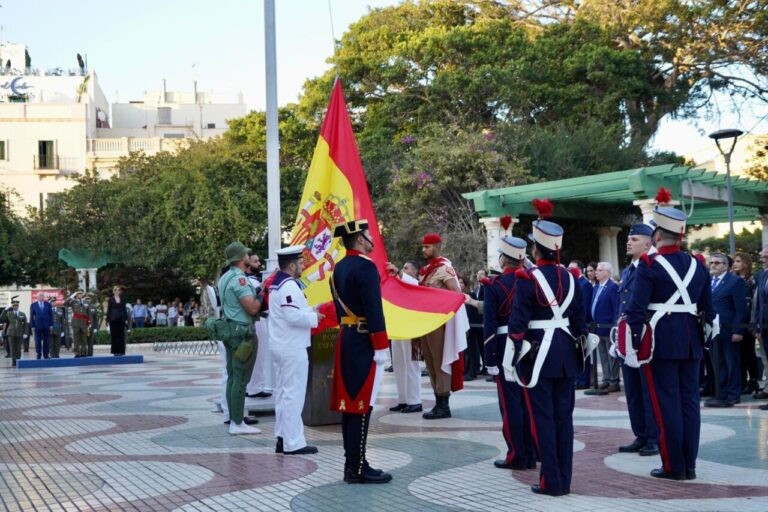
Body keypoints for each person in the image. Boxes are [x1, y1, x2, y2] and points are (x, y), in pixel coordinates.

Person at [624, 206, 714, 480]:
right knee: (689, 403)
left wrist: (636, 346)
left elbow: (636, 311)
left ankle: (673, 465)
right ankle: (689, 464)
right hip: (691, 341)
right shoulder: (697, 264)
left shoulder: (649, 265)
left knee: (666, 404)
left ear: (659, 235)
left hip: (659, 342)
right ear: (681, 235)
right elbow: (708, 310)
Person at [508, 218, 587, 496]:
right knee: (564, 420)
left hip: (538, 356)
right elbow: (580, 323)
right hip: (566, 355)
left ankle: (551, 482)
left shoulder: (527, 279)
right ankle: (564, 480)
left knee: (542, 419)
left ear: (536, 251)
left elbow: (518, 325)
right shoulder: (572, 278)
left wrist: (513, 357)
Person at [330, 219, 392, 484]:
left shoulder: (338, 268)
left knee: (350, 407)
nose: (371, 239)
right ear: (358, 239)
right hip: (364, 341)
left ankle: (353, 464)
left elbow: (338, 309)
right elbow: (373, 309)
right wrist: (381, 346)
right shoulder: (366, 268)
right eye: (368, 235)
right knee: (361, 406)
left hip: (346, 338)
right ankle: (357, 468)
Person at [483, 236, 535, 471]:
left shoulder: (494, 285)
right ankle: (533, 450)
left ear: (503, 259)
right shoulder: (533, 281)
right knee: (530, 401)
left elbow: (490, 325)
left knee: (511, 404)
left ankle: (517, 454)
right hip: (531, 344)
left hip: (505, 345)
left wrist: (490, 358)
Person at [269, 246, 323, 455]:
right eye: (301, 263)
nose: (303, 266)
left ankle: (283, 438)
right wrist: (314, 318)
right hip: (291, 347)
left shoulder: (278, 284)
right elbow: (292, 317)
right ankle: (294, 443)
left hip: (282, 346)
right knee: (293, 395)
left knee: (283, 394)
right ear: (291, 265)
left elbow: (290, 312)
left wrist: (311, 310)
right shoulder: (289, 286)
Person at [616, 224, 659, 456]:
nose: (628, 242)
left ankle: (654, 436)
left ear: (647, 243)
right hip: (626, 337)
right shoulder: (628, 270)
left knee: (647, 388)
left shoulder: (653, 266)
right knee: (632, 389)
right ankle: (640, 434)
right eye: (628, 238)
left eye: (634, 239)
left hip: (644, 337)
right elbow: (621, 305)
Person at [414, 233, 462, 419]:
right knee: (431, 363)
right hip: (426, 322)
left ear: (437, 246)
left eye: (427, 247)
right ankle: (438, 402)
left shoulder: (444, 269)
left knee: (441, 363)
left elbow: (456, 294)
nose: (424, 250)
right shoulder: (426, 270)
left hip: (439, 324)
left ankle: (444, 405)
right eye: (423, 247)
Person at [218, 242, 263, 435]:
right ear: (240, 258)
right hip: (242, 335)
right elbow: (252, 307)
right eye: (245, 254)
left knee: (232, 377)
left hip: (230, 331)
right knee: (241, 378)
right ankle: (237, 422)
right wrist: (262, 293)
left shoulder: (225, 277)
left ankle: (233, 418)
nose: (248, 257)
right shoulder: (240, 280)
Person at [704, 253, 748, 407]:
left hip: (729, 330)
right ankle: (721, 393)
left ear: (726, 266)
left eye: (717, 262)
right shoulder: (708, 282)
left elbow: (740, 309)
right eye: (712, 262)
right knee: (718, 363)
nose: (713, 265)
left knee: (732, 363)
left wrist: (738, 331)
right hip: (712, 330)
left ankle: (733, 394)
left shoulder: (735, 282)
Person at [388, 261, 422, 413]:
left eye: (406, 268)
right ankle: (403, 399)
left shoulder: (415, 283)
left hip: (412, 330)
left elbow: (412, 283)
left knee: (411, 365)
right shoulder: (398, 284)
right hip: (398, 328)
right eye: (403, 268)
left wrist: (399, 273)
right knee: (399, 364)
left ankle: (415, 401)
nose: (402, 270)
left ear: (414, 272)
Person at [247, 252, 275, 399]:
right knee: (259, 355)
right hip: (257, 319)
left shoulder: (252, 280)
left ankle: (253, 386)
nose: (259, 264)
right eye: (255, 261)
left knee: (258, 355)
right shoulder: (249, 281)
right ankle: (255, 387)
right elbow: (259, 295)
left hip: (259, 319)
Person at [590, 262, 620, 392]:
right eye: (596, 270)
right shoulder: (597, 287)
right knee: (602, 355)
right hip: (597, 327)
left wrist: (615, 326)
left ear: (608, 272)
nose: (596, 272)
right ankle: (606, 379)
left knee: (611, 355)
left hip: (608, 327)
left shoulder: (612, 287)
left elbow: (616, 308)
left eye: (600, 270)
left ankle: (614, 381)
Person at [732, 253, 759, 395]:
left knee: (749, 352)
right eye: (734, 261)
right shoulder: (732, 279)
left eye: (738, 261)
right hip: (736, 321)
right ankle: (741, 381)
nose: (735, 264)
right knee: (739, 353)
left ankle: (753, 380)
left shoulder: (751, 280)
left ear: (746, 263)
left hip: (748, 320)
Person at [568, 260, 593, 389]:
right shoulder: (575, 283)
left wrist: (582, 324)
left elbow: (585, 307)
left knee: (583, 353)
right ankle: (578, 379)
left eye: (572, 268)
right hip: (575, 324)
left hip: (583, 324)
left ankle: (583, 380)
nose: (569, 270)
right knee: (577, 353)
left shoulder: (584, 284)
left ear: (579, 270)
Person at [750, 247, 768, 405]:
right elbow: (758, 303)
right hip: (765, 327)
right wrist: (757, 326)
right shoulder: (763, 275)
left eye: (766, 257)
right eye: (762, 257)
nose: (763, 260)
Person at [0, 297, 30, 367]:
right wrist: (4, 310)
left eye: (16, 306)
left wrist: (26, 332)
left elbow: (25, 324)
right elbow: (1, 319)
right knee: (12, 348)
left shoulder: (22, 314)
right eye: (14, 306)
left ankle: (18, 360)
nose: (15, 307)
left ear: (18, 306)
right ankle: (14, 362)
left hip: (19, 332)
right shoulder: (8, 313)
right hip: (11, 333)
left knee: (18, 348)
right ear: (12, 306)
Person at [66, 290, 90, 358]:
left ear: (82, 295)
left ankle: (83, 352)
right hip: (76, 323)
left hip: (84, 323)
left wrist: (89, 322)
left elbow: (89, 313)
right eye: (78, 294)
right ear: (76, 295)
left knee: (84, 339)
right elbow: (65, 303)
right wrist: (72, 296)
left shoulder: (86, 302)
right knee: (76, 339)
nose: (80, 295)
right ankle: (77, 353)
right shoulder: (73, 302)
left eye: (81, 294)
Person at [30, 292, 53, 359]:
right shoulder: (33, 305)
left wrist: (51, 325)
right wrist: (32, 326)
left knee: (46, 341)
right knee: (38, 341)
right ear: (37, 297)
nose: (41, 297)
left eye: (42, 296)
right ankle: (38, 354)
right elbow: (31, 316)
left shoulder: (48, 304)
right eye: (40, 296)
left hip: (46, 326)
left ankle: (46, 355)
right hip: (37, 326)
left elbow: (51, 315)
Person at [106, 286, 129, 356]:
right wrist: (107, 320)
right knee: (114, 336)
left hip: (121, 318)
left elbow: (124, 309)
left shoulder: (122, 299)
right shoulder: (111, 299)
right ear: (114, 291)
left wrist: (126, 319)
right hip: (113, 319)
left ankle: (121, 351)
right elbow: (109, 310)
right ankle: (115, 352)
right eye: (116, 290)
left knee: (121, 336)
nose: (117, 292)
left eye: (119, 290)